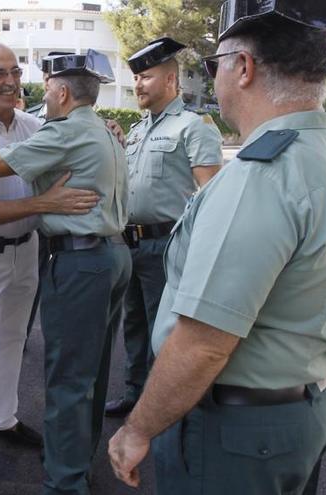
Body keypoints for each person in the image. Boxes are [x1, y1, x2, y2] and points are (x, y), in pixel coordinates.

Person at [107, 1, 326, 493]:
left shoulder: (261, 176)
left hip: (239, 437)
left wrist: (137, 429)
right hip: (304, 410)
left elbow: (203, 343)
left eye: (215, 65)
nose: (214, 77)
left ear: (243, 68)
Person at [0, 49, 131, 495]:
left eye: (14, 71)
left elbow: (77, 139)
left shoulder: (35, 126)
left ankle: (3, 420)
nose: (10, 81)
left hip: (28, 250)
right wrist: (42, 203)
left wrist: (107, 128)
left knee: (12, 342)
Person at [105, 37, 223, 418]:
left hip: (167, 246)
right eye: (136, 77)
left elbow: (212, 195)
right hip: (131, 244)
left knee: (167, 333)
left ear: (171, 80)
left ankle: (166, 407)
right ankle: (136, 395)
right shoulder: (138, 130)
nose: (138, 84)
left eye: (146, 77)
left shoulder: (194, 126)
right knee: (135, 326)